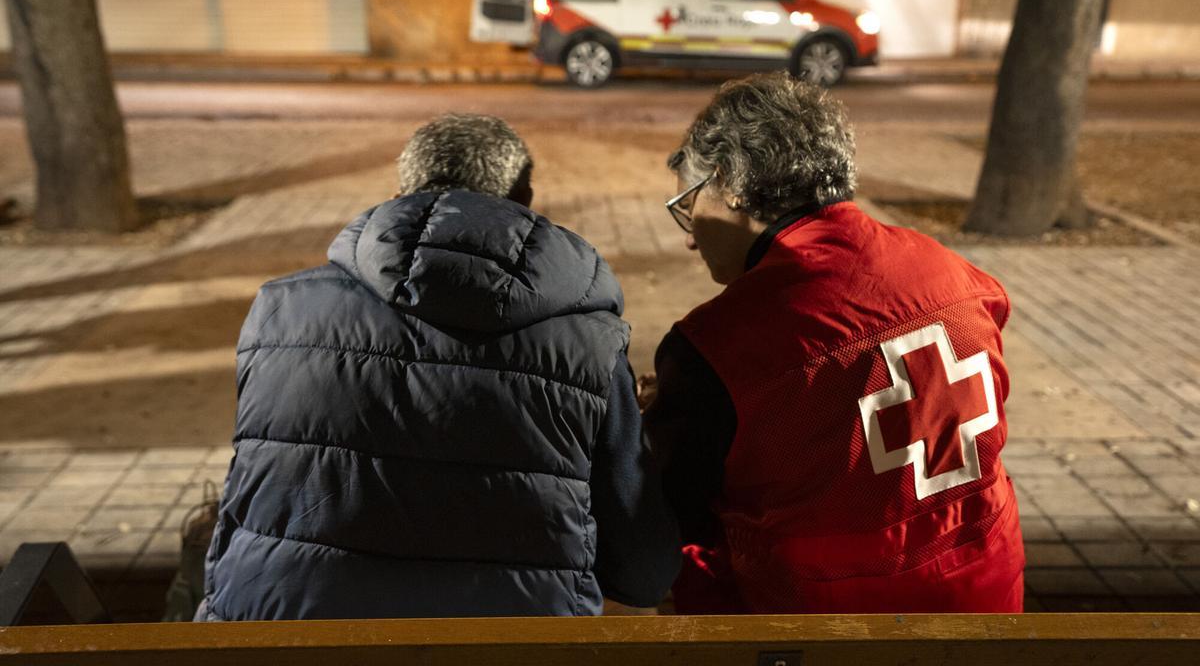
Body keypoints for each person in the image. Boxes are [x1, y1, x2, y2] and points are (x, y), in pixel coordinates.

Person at [199, 113, 679, 620]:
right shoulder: (590, 346)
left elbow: (246, 504)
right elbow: (642, 573)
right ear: (523, 200)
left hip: (280, 639)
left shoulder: (278, 314)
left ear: (401, 191)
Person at [643, 72, 1024, 613]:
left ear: (728, 183)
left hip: (825, 619)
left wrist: (672, 411)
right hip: (983, 588)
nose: (688, 236)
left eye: (689, 202)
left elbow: (673, 514)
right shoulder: (957, 275)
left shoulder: (718, 345)